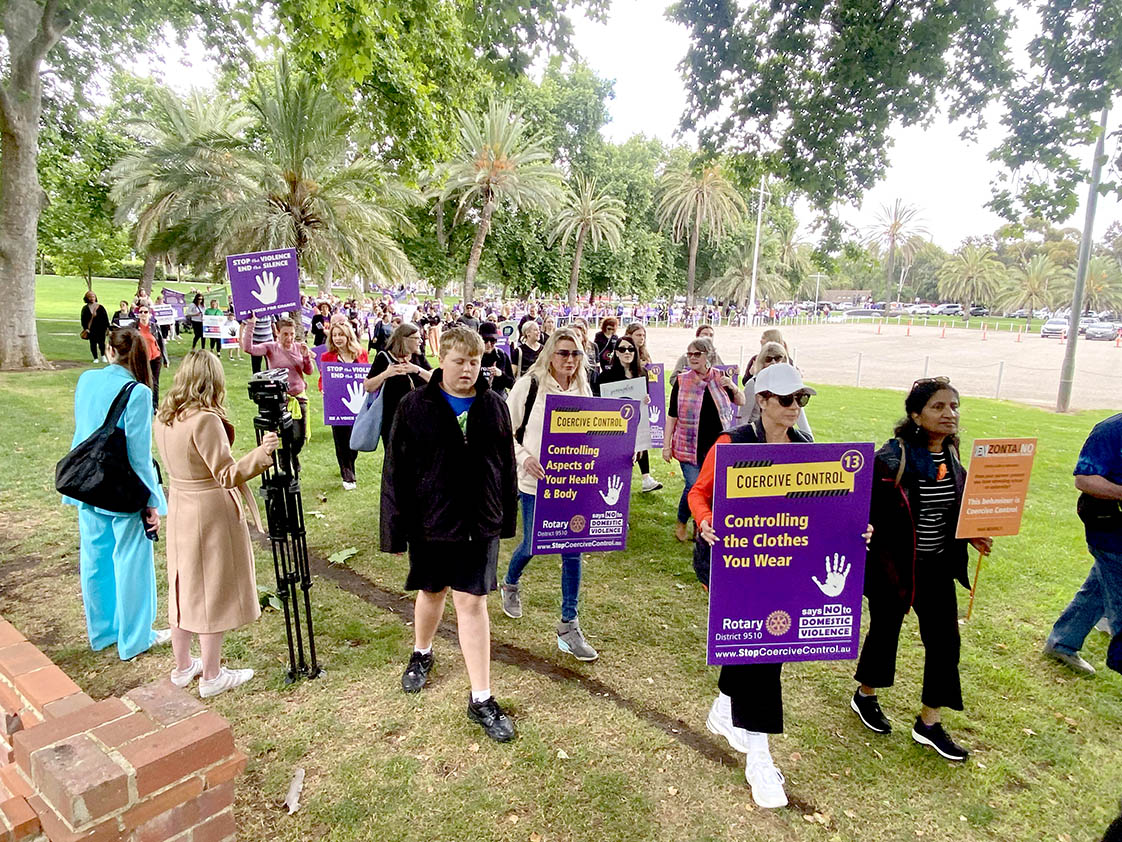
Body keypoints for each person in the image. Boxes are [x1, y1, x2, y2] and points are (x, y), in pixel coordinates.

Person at [687, 363, 825, 807]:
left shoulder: (806, 448)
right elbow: (699, 493)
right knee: (763, 649)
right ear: (761, 400)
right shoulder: (731, 444)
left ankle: (726, 708)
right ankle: (760, 756)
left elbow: (822, 507)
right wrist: (705, 522)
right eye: (786, 400)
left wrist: (853, 531)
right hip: (732, 566)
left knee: (762, 647)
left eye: (800, 400)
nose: (793, 408)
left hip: (782, 567)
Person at [381, 327, 519, 742]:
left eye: (474, 362)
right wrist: (396, 528)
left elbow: (505, 464)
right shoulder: (414, 406)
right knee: (432, 592)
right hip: (431, 521)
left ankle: (481, 697)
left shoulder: (494, 405)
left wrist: (504, 518)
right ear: (441, 359)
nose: (467, 369)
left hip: (479, 524)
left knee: (473, 602)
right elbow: (396, 470)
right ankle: (421, 652)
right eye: (459, 361)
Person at [852, 377, 992, 762]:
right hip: (893, 564)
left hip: (937, 566)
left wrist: (973, 535)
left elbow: (950, 513)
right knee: (885, 632)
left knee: (945, 642)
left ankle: (929, 723)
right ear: (916, 415)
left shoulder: (952, 456)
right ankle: (865, 695)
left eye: (954, 406)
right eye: (938, 407)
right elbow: (865, 509)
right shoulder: (891, 459)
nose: (950, 414)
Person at [154, 351, 279, 697]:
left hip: (180, 502)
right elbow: (225, 474)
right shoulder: (203, 419)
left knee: (182, 585)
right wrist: (262, 454)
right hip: (207, 509)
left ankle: (183, 667)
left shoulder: (166, 416)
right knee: (211, 589)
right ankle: (211, 674)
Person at [63, 328, 169, 661]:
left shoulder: (87, 380)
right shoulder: (136, 393)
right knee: (132, 560)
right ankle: (135, 637)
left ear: (111, 350)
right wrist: (153, 501)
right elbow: (139, 455)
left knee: (94, 558)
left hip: (86, 482)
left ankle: (104, 631)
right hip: (120, 488)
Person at [501, 328, 599, 661]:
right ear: (549, 354)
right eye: (563, 353)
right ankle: (510, 582)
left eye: (576, 354)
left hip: (575, 484)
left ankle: (568, 625)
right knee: (533, 543)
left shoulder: (585, 387)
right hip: (535, 484)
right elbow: (503, 432)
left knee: (573, 550)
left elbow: (596, 432)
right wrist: (524, 457)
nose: (569, 360)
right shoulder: (529, 386)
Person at [1043, 412, 1122, 674]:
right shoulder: (1110, 430)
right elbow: (1085, 479)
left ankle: (1062, 642)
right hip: (1110, 529)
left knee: (1101, 584)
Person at [664, 337, 745, 542]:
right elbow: (672, 415)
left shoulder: (720, 378)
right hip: (688, 445)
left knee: (710, 489)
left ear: (708, 355)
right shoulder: (682, 381)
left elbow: (741, 401)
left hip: (716, 447)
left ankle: (699, 524)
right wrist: (666, 446)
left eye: (696, 354)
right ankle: (682, 519)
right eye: (689, 354)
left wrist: (733, 387)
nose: (692, 358)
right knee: (693, 486)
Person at [597, 336, 662, 493]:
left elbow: (644, 397)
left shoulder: (643, 374)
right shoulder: (605, 377)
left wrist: (646, 400)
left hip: (637, 418)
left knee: (640, 443)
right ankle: (612, 485)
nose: (627, 352)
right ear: (616, 353)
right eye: (622, 349)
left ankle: (646, 478)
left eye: (630, 349)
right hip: (614, 423)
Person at [241, 316, 314, 451]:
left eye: (292, 334)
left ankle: (293, 456)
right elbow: (248, 348)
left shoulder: (299, 347)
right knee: (282, 436)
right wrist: (251, 324)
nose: (289, 338)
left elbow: (309, 371)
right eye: (285, 334)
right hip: (279, 399)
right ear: (278, 333)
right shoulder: (270, 347)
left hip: (299, 397)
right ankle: (285, 464)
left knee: (299, 437)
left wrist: (306, 357)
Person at [364, 322, 432, 450]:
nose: (420, 341)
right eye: (417, 338)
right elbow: (368, 386)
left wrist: (417, 370)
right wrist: (386, 374)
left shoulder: (418, 357)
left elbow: (435, 381)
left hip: (420, 416)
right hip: (393, 419)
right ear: (404, 339)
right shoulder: (384, 357)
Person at [319, 322, 369, 490]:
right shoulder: (327, 357)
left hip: (357, 404)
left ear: (349, 335)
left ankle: (349, 463)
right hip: (337, 404)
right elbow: (322, 378)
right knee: (341, 439)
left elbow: (367, 375)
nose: (337, 338)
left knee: (355, 440)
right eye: (334, 335)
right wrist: (323, 389)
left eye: (341, 334)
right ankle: (347, 474)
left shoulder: (361, 353)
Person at [741, 342, 812, 436]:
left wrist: (810, 439)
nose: (773, 363)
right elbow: (743, 417)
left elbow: (800, 417)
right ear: (761, 362)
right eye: (768, 359)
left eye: (778, 358)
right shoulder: (753, 384)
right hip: (756, 435)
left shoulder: (791, 385)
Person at [135, 304, 169, 411]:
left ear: (150, 314)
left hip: (155, 357)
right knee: (141, 381)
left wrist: (165, 359)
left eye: (145, 312)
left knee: (154, 382)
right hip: (141, 358)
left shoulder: (154, 327)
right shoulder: (134, 327)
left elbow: (161, 343)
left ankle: (154, 405)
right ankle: (142, 404)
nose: (143, 314)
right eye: (141, 312)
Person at [479, 322, 515, 397]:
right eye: (485, 340)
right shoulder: (473, 355)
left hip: (498, 400)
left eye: (492, 341)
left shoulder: (502, 356)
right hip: (477, 400)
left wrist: (501, 374)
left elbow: (512, 383)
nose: (489, 344)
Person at [81, 291, 110, 363]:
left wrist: (108, 328)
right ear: (87, 298)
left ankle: (103, 356)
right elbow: (83, 319)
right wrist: (86, 329)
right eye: (90, 297)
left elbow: (105, 318)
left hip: (101, 328)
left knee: (101, 343)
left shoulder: (100, 307)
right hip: (91, 329)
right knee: (93, 344)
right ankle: (95, 358)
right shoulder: (85, 308)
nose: (92, 298)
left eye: (93, 296)